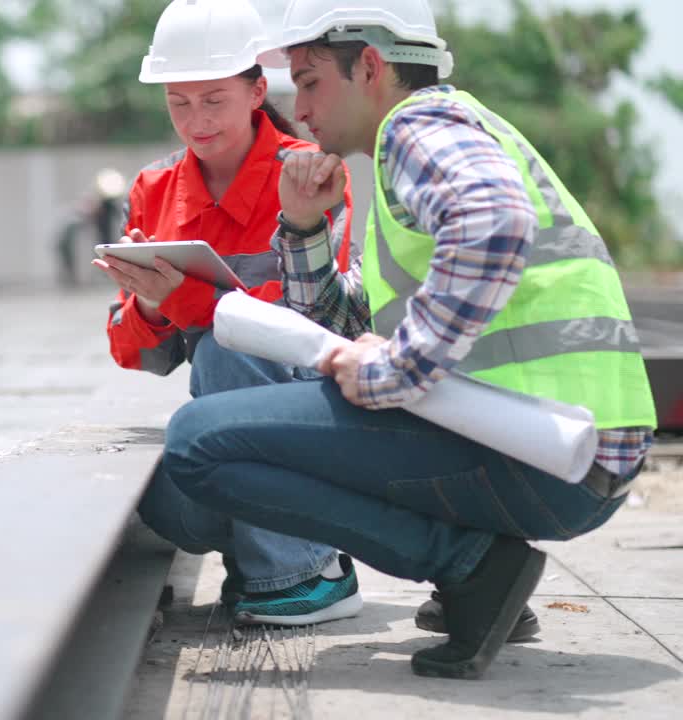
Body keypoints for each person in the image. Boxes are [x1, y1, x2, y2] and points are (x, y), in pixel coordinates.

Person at [157, 0, 657, 679]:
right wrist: (304, 228)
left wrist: (397, 371)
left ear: (369, 66)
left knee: (197, 445)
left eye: (307, 81)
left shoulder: (418, 125)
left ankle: (472, 565)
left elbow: (493, 219)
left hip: (548, 450)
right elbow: (345, 321)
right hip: (563, 450)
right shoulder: (435, 138)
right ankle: (478, 567)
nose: (297, 109)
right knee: (232, 433)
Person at [93, 0, 360, 626]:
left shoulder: (309, 174)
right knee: (161, 505)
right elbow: (134, 352)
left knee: (230, 345)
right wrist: (151, 309)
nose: (196, 121)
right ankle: (276, 547)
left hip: (312, 415)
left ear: (257, 89)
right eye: (179, 103)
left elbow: (305, 325)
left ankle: (301, 572)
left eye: (214, 99)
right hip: (223, 422)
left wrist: (184, 300)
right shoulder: (153, 191)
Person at [56, 169, 126, 287]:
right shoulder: (92, 204)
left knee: (103, 248)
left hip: (103, 234)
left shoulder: (109, 207)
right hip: (96, 233)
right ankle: (74, 276)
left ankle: (104, 273)